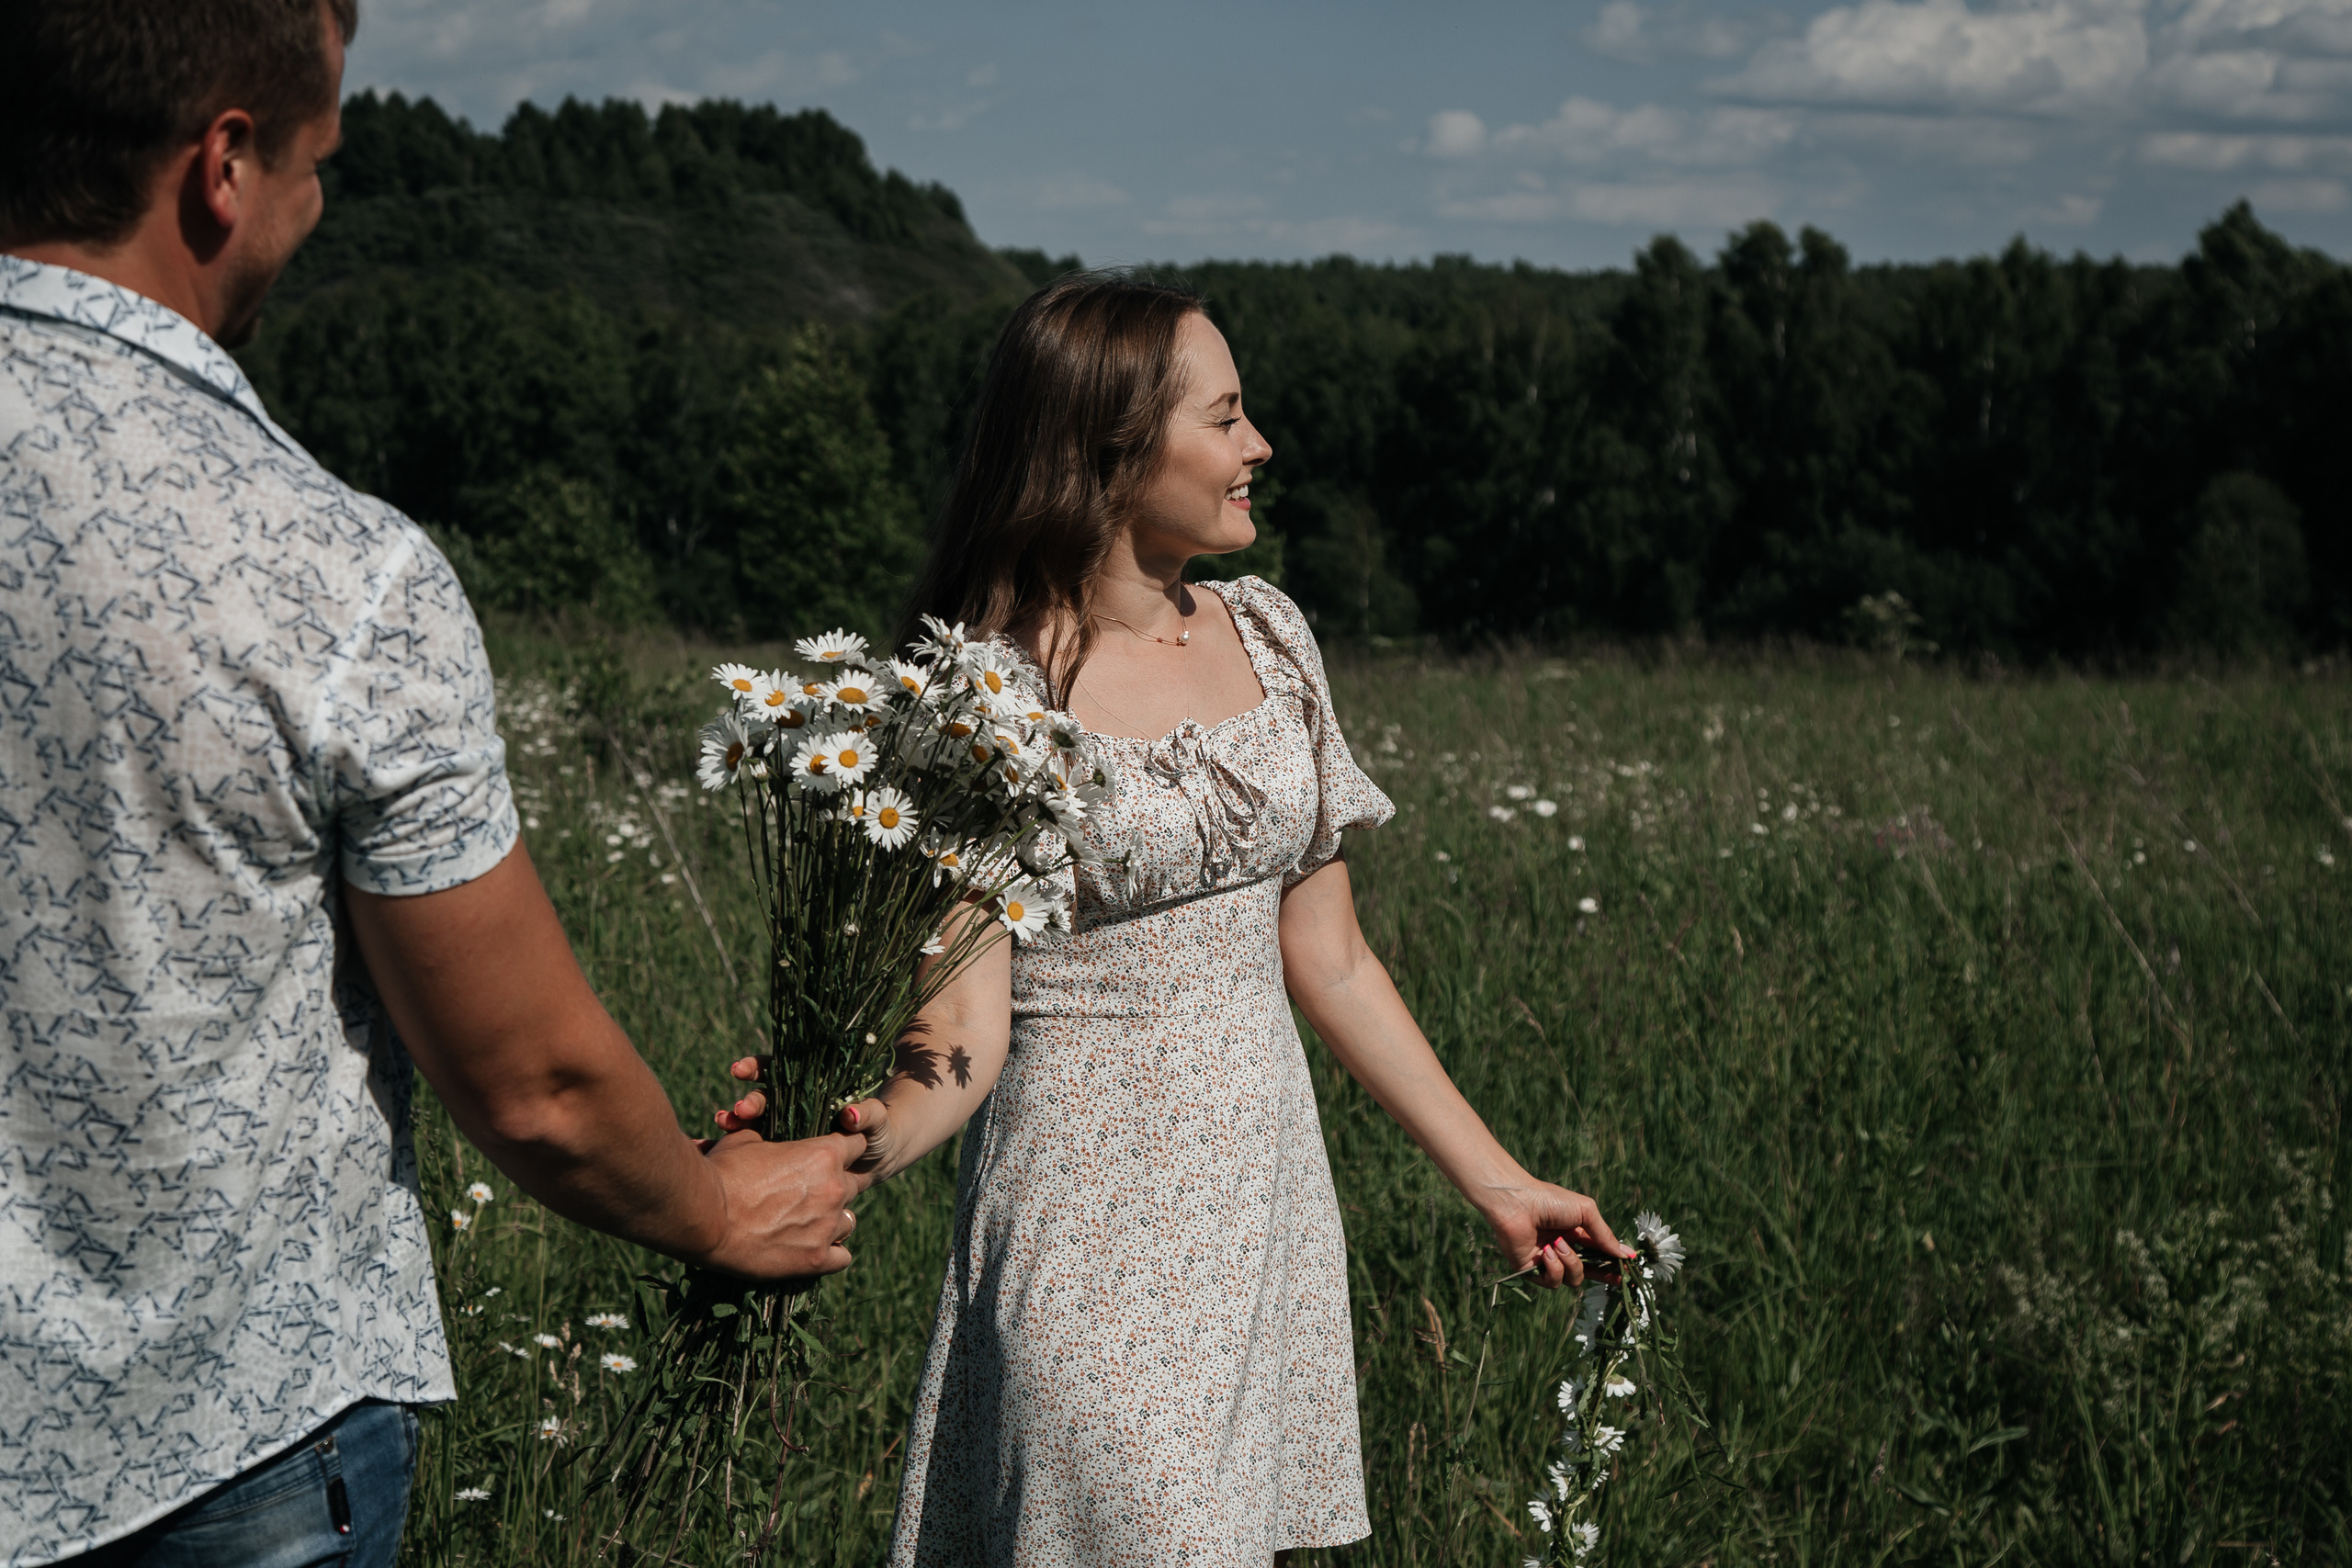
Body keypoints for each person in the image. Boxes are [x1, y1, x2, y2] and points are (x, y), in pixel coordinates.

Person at [0, 5, 871, 1565]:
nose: (319, 209)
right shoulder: (332, 576)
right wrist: (718, 1209)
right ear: (224, 167)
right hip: (214, 1452)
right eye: (319, 165)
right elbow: (532, 1086)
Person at [715, 275, 1635, 1564]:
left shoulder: (1271, 636)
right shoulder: (988, 696)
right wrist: (860, 1143)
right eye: (1227, 417)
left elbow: (1333, 957)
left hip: (1259, 1217)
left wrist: (1497, 1183)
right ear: (1109, 451)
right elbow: (963, 1019)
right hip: (1087, 1234)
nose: (1259, 446)